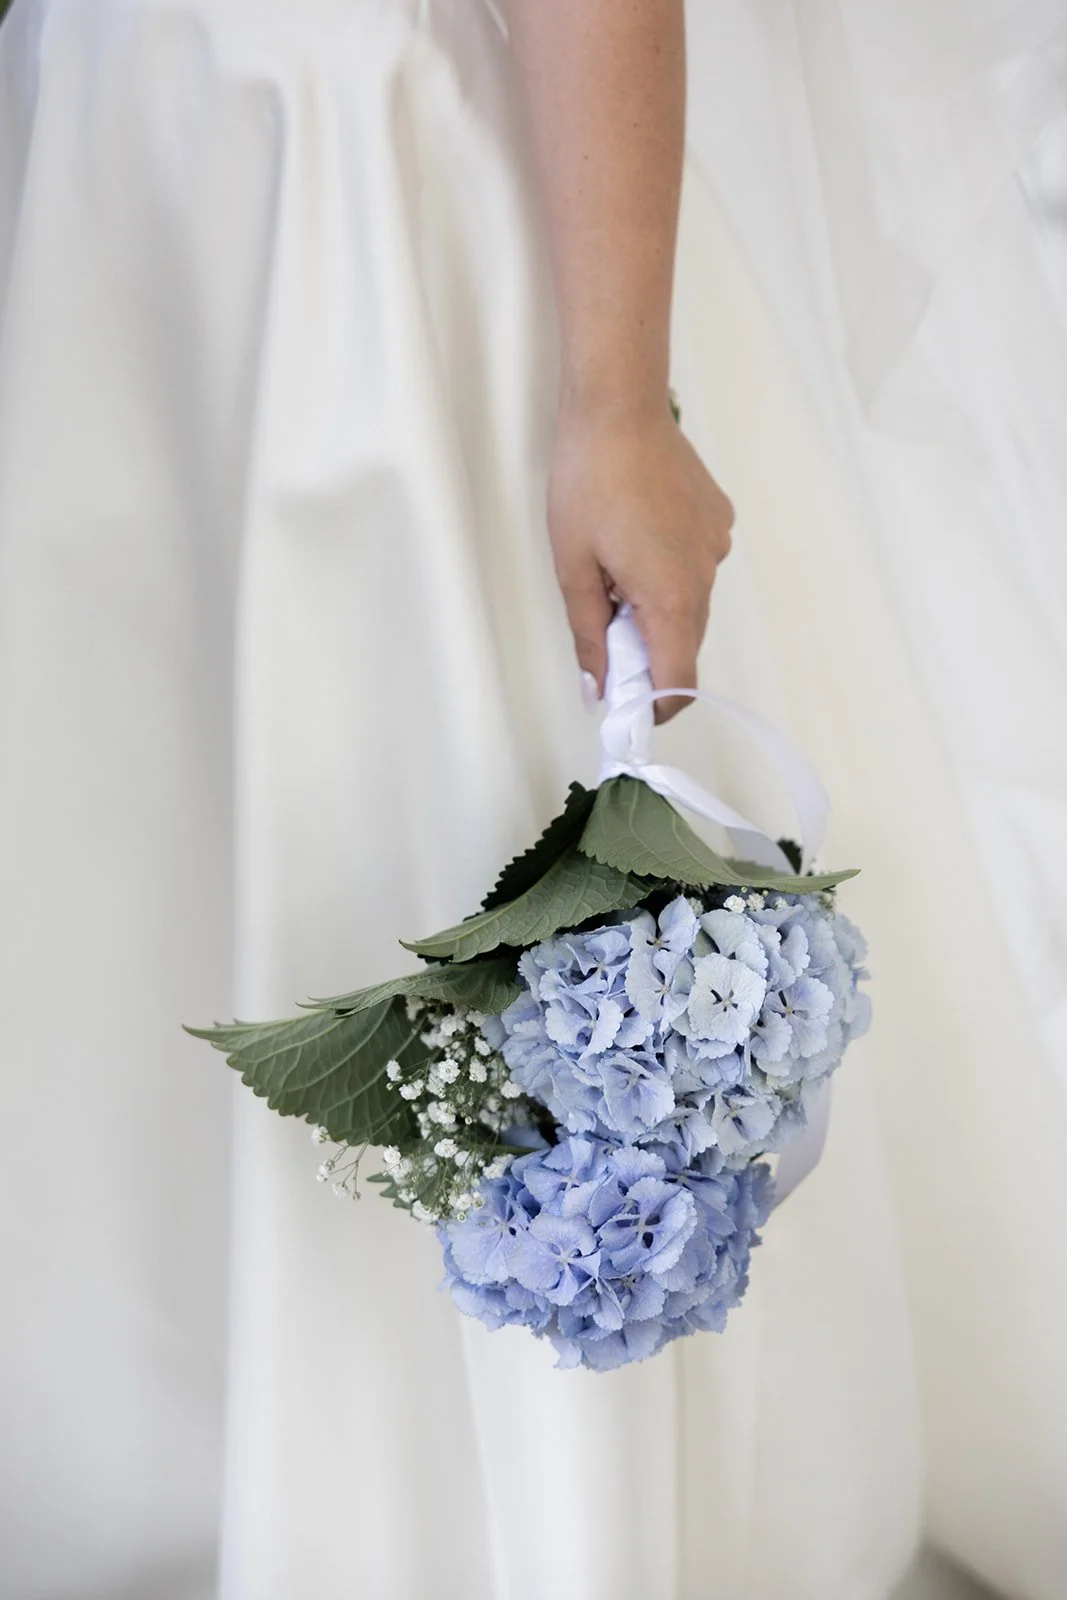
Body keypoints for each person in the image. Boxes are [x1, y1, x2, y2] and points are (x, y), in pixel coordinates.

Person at [2, 3, 1065, 1598]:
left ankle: (531, 1509)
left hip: (366, 207)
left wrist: (618, 403)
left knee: (433, 800)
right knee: (154, 858)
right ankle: (220, 1460)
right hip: (145, 168)